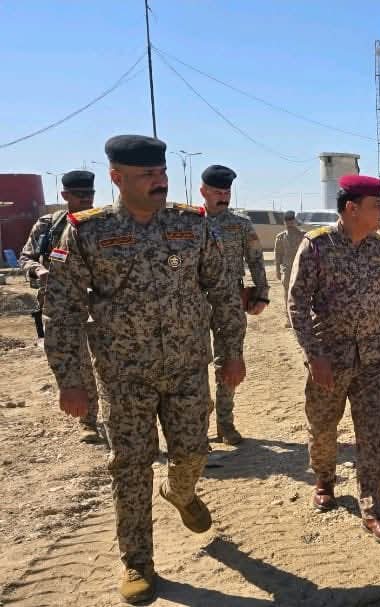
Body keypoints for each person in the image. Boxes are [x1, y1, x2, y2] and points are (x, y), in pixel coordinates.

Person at [43, 134, 246, 603]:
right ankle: (137, 562)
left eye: (162, 172)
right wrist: (70, 381)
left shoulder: (191, 225)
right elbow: (62, 310)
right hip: (124, 375)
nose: (160, 181)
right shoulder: (86, 232)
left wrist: (231, 352)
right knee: (130, 468)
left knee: (192, 452)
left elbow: (222, 292)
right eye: (147, 175)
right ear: (117, 177)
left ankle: (181, 492)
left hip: (187, 368)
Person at [288, 174, 380, 542]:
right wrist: (313, 355)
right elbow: (297, 305)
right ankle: (324, 478)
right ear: (352, 208)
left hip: (373, 358)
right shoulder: (317, 246)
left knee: (373, 432)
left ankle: (372, 506)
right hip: (329, 358)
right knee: (323, 426)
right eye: (377, 205)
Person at [18, 169, 104, 444]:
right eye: (79, 195)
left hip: (99, 306)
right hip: (62, 304)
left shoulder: (102, 223)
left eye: (89, 194)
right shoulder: (49, 225)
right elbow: (26, 257)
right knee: (77, 364)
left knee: (108, 363)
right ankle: (89, 420)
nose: (86, 199)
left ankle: (118, 418)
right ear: (65, 195)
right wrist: (38, 270)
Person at [200, 165, 269, 445]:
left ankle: (225, 424)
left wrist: (262, 293)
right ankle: (197, 425)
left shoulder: (240, 224)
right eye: (217, 192)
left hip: (230, 299)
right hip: (194, 302)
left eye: (227, 192)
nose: (224, 197)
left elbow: (256, 259)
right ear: (203, 191)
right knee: (194, 363)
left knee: (230, 361)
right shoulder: (188, 223)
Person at [273, 210, 304, 327]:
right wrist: (277, 270)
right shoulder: (280, 237)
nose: (290, 223)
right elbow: (278, 255)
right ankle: (289, 318)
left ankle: (300, 317)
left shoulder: (303, 235)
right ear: (284, 222)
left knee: (301, 293)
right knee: (287, 294)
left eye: (291, 220)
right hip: (287, 270)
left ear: (295, 221)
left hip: (301, 269)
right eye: (287, 221)